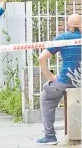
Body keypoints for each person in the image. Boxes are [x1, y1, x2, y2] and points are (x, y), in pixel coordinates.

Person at [37, 14, 81, 145]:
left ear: (68, 25)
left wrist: (51, 78)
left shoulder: (62, 38)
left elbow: (41, 58)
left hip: (64, 81)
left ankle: (50, 136)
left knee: (47, 97)